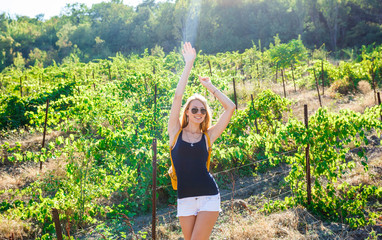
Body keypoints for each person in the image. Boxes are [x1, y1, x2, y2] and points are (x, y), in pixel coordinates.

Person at [168, 42, 236, 240]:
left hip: (208, 197)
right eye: (194, 109)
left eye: (203, 110)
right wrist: (189, 63)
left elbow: (230, 107)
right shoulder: (175, 133)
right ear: (187, 112)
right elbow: (177, 97)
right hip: (185, 199)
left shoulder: (208, 136)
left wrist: (209, 86)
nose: (199, 113)